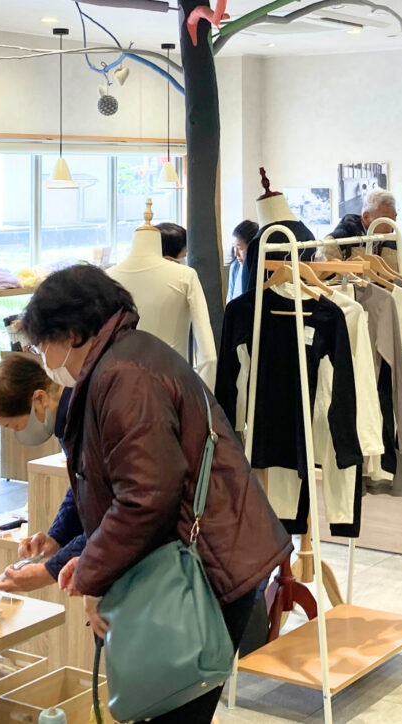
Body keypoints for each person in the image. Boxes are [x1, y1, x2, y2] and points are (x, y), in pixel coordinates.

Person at [20, 264, 292, 723]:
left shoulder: (124, 375)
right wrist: (78, 551)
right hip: (198, 555)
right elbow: (105, 478)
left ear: (71, 334)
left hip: (205, 565)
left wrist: (91, 574)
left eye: (41, 344)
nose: (42, 357)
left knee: (173, 706)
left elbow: (145, 497)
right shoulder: (125, 360)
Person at [0, 355, 81, 593]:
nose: (18, 434)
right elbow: (81, 487)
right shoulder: (67, 425)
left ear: (40, 399)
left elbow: (108, 515)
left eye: (15, 426)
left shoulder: (84, 421)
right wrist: (56, 538)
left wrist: (49, 570)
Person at [323, 189, 400, 269]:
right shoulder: (335, 243)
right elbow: (323, 275)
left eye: (393, 220)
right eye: (384, 220)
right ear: (366, 217)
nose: (391, 228)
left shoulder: (391, 241)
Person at [227, 219, 256, 302]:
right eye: (234, 247)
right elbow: (229, 299)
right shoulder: (235, 266)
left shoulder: (258, 269)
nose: (236, 254)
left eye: (240, 248)